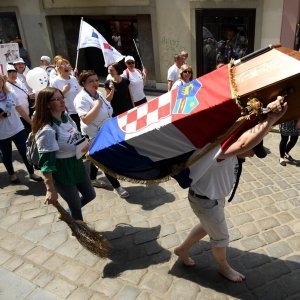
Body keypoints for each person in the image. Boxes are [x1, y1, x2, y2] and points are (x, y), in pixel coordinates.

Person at [174, 96, 287, 282]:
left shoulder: (230, 153)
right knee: (221, 238)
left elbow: (247, 139)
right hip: (205, 201)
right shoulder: (218, 152)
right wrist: (272, 119)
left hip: (211, 200)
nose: (251, 154)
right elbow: (244, 143)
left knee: (206, 226)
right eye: (252, 150)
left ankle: (182, 249)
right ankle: (223, 267)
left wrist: (265, 112)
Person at [32, 87, 95, 221]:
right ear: (47, 104)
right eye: (56, 99)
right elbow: (46, 163)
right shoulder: (47, 130)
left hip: (77, 164)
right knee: (76, 205)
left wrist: (85, 144)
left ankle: (67, 214)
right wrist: (50, 189)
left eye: (62, 98)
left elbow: (76, 138)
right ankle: (80, 231)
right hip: (62, 170)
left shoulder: (66, 117)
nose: (62, 102)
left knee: (90, 195)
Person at [74, 70, 130, 198]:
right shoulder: (80, 99)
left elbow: (107, 102)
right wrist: (98, 105)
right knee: (106, 160)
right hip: (94, 134)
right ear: (83, 83)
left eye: (96, 80)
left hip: (106, 131)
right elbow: (86, 119)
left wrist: (111, 92)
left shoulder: (97, 93)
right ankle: (117, 187)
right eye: (91, 81)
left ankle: (92, 178)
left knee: (96, 158)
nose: (95, 83)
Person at [0, 74, 42, 184]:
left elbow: (20, 110)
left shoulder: (10, 94)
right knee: (6, 154)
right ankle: (12, 174)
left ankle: (32, 173)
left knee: (25, 151)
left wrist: (32, 123)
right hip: (2, 133)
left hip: (18, 128)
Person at [50, 58, 81, 130]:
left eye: (67, 64)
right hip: (67, 112)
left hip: (78, 109)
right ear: (58, 69)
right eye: (62, 65)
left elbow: (79, 93)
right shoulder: (55, 81)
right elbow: (53, 98)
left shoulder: (73, 78)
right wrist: (63, 91)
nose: (66, 66)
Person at [6, 64, 32, 135]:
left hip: (28, 114)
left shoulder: (19, 82)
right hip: (18, 118)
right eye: (9, 72)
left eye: (14, 71)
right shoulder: (5, 86)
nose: (12, 74)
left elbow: (26, 94)